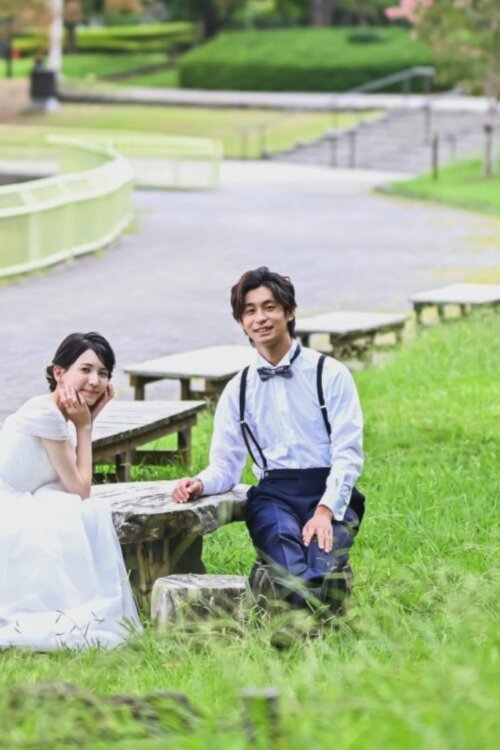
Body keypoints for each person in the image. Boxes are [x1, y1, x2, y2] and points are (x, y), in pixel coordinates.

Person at [173, 268, 365, 614]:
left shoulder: (331, 374)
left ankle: (303, 625)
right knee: (287, 565)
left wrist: (325, 511)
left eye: (269, 307)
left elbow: (348, 454)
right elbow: (226, 465)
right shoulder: (238, 390)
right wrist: (200, 483)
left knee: (322, 564)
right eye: (250, 311)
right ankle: (313, 624)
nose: (260, 318)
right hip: (274, 496)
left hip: (328, 489)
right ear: (242, 322)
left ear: (289, 312)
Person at [0, 332, 141, 650]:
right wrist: (85, 426)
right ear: (59, 372)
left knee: (79, 511)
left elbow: (72, 482)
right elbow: (80, 489)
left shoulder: (57, 412)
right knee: (88, 510)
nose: (95, 381)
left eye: (103, 373)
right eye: (85, 369)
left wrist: (86, 419)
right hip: (8, 510)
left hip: (21, 500)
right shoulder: (48, 414)